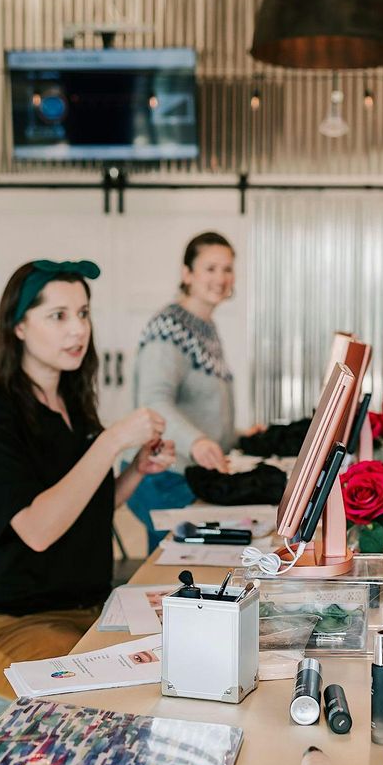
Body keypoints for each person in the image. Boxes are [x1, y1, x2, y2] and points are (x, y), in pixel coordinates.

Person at [0, 260, 174, 699]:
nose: (77, 330)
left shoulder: (72, 400)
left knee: (184, 664)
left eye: (83, 313)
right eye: (58, 316)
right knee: (112, 698)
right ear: (17, 327)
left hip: (89, 608)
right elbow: (38, 529)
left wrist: (134, 472)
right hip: (10, 622)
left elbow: (88, 507)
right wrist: (111, 442)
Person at [129, 232, 252, 547]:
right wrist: (195, 441)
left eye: (227, 269)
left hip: (189, 474)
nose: (221, 278)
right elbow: (153, 402)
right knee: (170, 573)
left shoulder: (205, 327)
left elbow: (202, 407)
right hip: (163, 474)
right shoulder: (169, 328)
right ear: (187, 274)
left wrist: (239, 435)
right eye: (210, 268)